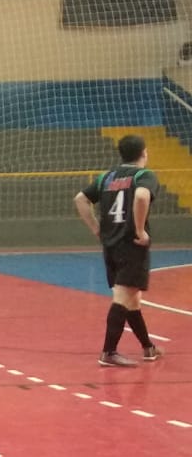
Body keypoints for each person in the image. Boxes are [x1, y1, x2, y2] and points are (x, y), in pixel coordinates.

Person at [74, 133, 164, 367]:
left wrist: (96, 228)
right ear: (143, 153)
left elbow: (80, 199)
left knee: (132, 299)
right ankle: (109, 352)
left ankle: (148, 348)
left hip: (111, 246)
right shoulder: (144, 176)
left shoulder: (106, 177)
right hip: (131, 245)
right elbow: (142, 196)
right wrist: (140, 230)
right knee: (123, 297)